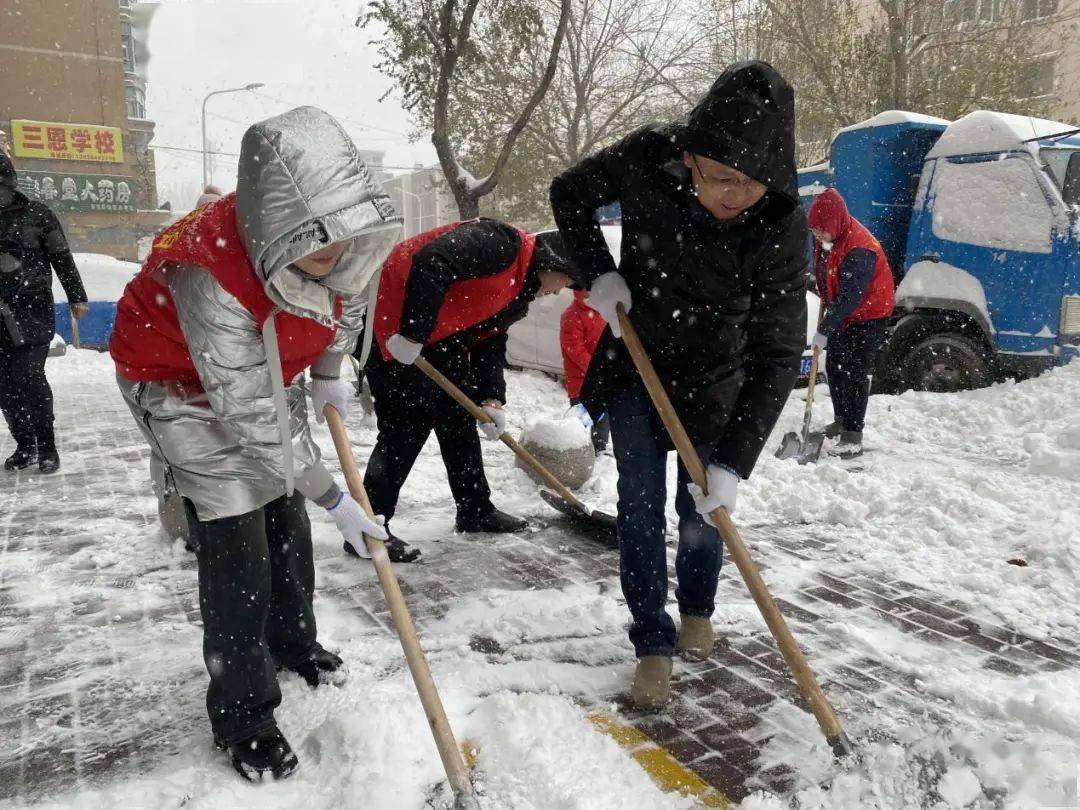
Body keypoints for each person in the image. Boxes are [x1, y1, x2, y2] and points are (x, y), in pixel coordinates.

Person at [109, 107, 403, 782]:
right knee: (238, 534)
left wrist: (329, 376)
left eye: (341, 240)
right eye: (316, 246)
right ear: (276, 225)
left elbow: (346, 297)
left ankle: (294, 644)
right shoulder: (210, 274)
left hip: (256, 369)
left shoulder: (340, 234)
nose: (333, 255)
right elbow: (248, 419)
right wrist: (337, 499)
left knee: (283, 514)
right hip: (175, 380)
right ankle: (244, 714)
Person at [550, 61, 808, 709]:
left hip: (720, 381)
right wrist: (598, 274)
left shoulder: (779, 222)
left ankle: (698, 608)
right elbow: (568, 193)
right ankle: (651, 643)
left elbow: (778, 351)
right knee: (639, 508)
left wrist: (735, 461)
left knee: (702, 511)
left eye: (751, 182)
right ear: (689, 157)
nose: (735, 195)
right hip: (639, 367)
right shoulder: (647, 157)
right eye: (721, 177)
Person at [361, 220, 574, 547]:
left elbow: (490, 338)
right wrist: (413, 333)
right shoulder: (500, 243)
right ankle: (368, 526)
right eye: (566, 281)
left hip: (440, 337)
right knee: (406, 424)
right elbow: (432, 262)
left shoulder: (519, 291)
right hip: (389, 324)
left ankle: (474, 509)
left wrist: (491, 398)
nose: (561, 290)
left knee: (459, 414)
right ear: (554, 263)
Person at [0, 152, 89, 474]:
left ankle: (47, 446)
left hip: (31, 311)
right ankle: (25, 445)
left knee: (28, 376)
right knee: (5, 385)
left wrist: (76, 297)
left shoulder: (37, 214)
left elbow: (62, 258)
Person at [807, 188, 895, 459]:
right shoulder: (829, 237)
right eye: (814, 230)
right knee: (835, 366)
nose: (817, 235)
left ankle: (853, 434)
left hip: (870, 314)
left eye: (821, 230)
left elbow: (850, 298)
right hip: (844, 311)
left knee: (855, 372)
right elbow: (824, 271)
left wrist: (824, 330)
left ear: (835, 224)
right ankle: (841, 419)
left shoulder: (859, 249)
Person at [560, 289, 609, 453]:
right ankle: (577, 454)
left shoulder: (600, 311)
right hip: (581, 381)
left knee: (602, 420)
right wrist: (596, 369)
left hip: (601, 379)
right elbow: (574, 349)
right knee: (581, 423)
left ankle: (598, 451)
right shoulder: (572, 314)